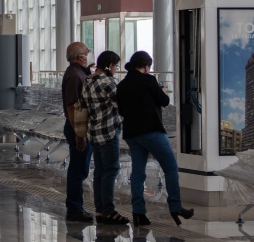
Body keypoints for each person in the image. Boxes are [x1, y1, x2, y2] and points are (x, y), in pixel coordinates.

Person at [117, 51, 194, 226]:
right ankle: (175, 207)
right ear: (146, 66)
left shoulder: (122, 85)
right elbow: (164, 101)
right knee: (171, 168)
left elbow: (121, 111)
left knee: (138, 173)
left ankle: (138, 212)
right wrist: (162, 91)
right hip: (151, 131)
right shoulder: (148, 80)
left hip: (131, 134)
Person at [81, 51, 127, 225]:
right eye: (115, 66)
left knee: (100, 171)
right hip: (108, 132)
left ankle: (99, 210)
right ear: (109, 66)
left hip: (93, 131)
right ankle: (108, 210)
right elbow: (120, 105)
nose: (116, 70)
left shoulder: (88, 80)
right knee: (111, 170)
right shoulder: (108, 81)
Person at [61, 41, 94, 222]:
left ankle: (75, 207)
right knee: (78, 169)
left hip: (79, 127)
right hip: (77, 127)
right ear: (79, 56)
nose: (88, 55)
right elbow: (72, 107)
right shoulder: (74, 76)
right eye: (86, 52)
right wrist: (79, 134)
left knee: (79, 168)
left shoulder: (80, 73)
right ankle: (74, 208)